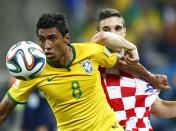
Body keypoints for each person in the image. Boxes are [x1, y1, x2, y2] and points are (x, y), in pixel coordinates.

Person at [0, 13, 141, 131]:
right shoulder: (33, 70)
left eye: (52, 38)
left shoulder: (91, 51)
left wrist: (151, 78)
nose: (47, 46)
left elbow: (124, 64)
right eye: (42, 40)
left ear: (66, 38)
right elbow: (4, 111)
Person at [94, 8, 176, 131]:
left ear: (124, 32)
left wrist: (147, 76)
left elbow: (160, 108)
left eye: (117, 28)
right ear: (98, 34)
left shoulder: (138, 71)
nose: (112, 34)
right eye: (106, 30)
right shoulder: (91, 72)